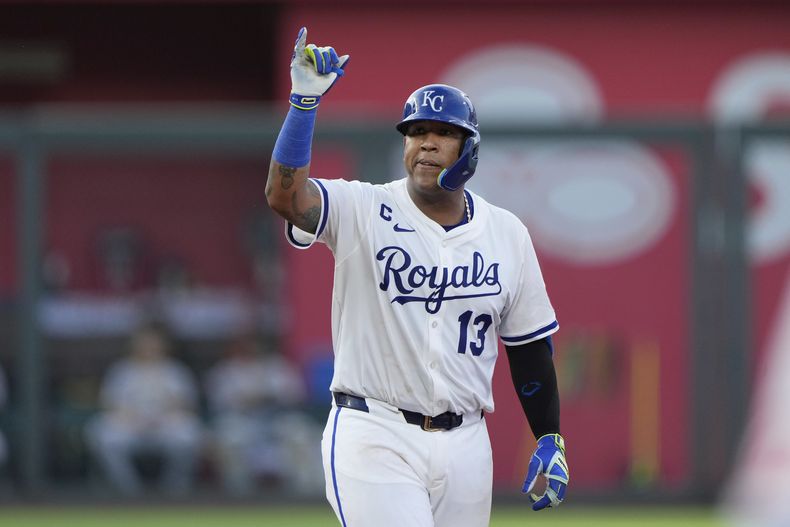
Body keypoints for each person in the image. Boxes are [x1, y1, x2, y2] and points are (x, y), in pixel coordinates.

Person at [265, 26, 569, 527]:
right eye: (416, 132)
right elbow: (285, 197)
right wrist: (302, 105)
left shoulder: (507, 233)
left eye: (443, 133)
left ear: (469, 147)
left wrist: (549, 436)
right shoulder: (362, 207)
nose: (426, 144)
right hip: (374, 430)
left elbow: (529, 348)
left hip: (467, 442)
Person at [85, 323, 203, 497]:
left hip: (165, 424)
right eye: (144, 343)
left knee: (189, 433)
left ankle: (175, 489)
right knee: (101, 433)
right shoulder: (121, 370)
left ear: (163, 346)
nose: (149, 348)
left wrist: (161, 416)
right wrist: (133, 418)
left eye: (154, 343)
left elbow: (187, 404)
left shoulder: (175, 370)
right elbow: (109, 404)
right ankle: (128, 489)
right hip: (130, 425)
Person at [204, 333, 315, 496]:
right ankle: (237, 495)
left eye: (256, 345)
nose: (252, 350)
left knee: (300, 433)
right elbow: (219, 403)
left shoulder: (278, 367)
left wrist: (267, 396)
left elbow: (296, 396)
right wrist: (248, 400)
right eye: (246, 346)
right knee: (230, 438)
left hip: (276, 420)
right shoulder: (226, 370)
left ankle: (303, 495)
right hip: (242, 421)